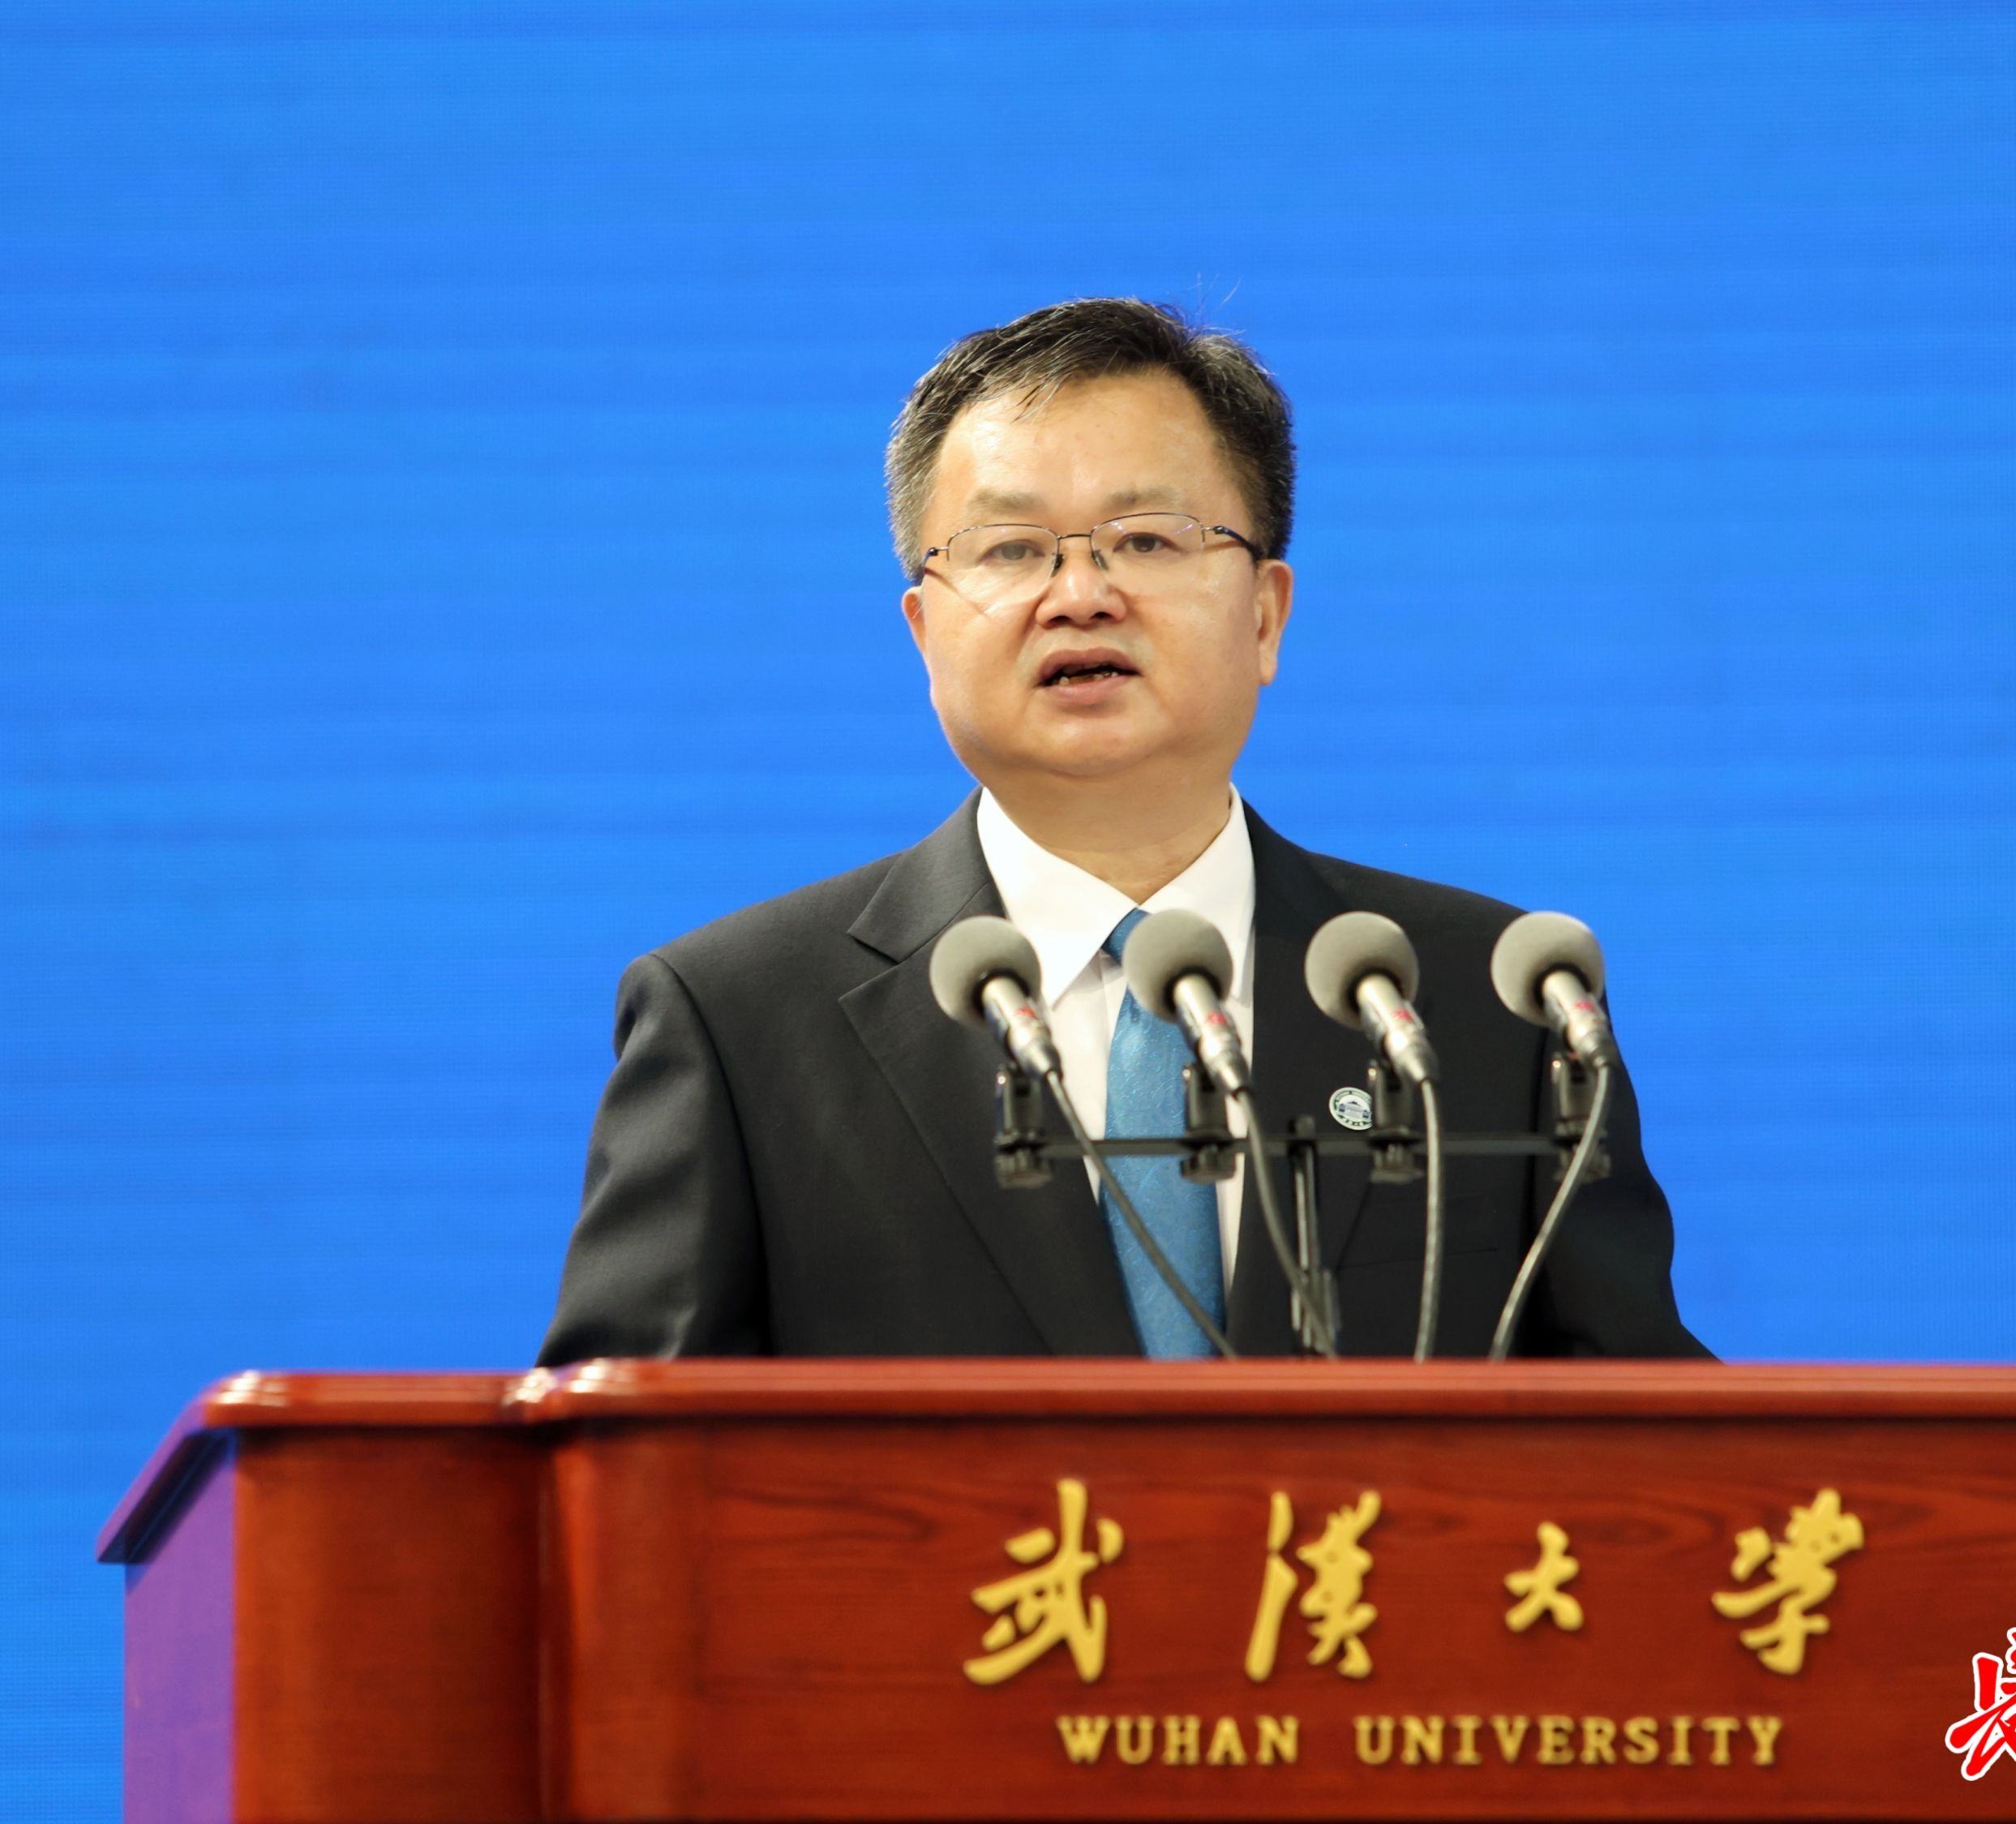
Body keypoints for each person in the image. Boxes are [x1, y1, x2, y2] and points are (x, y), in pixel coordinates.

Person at [538, 298, 1707, 1363]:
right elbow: (623, 1465)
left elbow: (1655, 1448)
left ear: (1266, 616)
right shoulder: (741, 1025)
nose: (1081, 593)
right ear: (924, 635)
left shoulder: (1493, 1002)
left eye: (1146, 538)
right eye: (1010, 549)